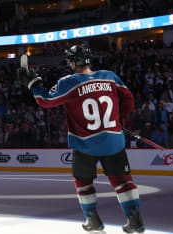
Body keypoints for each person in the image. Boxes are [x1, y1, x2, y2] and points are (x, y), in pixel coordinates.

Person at [18, 44, 144, 233]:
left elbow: (45, 101)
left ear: (74, 61)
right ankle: (135, 220)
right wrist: (117, 120)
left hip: (85, 144)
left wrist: (33, 83)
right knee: (123, 180)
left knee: (83, 182)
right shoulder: (110, 76)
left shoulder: (69, 81)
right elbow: (128, 100)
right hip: (113, 140)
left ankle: (93, 220)